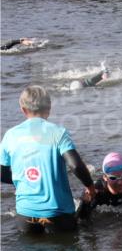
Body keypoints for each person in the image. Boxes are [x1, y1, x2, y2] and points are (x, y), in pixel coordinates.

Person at [0, 85, 96, 233]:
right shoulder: (58, 133)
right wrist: (90, 187)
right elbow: (76, 166)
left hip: (25, 214)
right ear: (49, 108)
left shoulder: (10, 135)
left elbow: (2, 173)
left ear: (23, 110)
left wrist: (22, 180)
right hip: (58, 213)